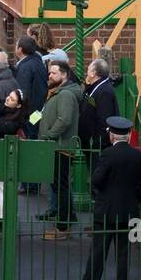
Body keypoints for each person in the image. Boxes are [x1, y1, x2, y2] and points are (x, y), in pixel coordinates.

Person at [63, 116, 141, 280]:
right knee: (123, 254)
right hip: (130, 213)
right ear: (128, 135)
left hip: (106, 212)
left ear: (112, 136)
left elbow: (97, 180)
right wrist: (134, 197)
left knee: (98, 253)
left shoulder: (107, 154)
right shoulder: (139, 156)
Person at [39, 51, 83, 240]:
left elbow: (64, 120)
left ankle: (63, 227)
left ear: (64, 74)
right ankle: (68, 218)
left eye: (54, 73)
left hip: (61, 147)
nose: (50, 76)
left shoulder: (65, 94)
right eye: (49, 73)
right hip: (56, 146)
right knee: (60, 185)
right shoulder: (56, 92)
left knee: (61, 187)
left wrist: (49, 135)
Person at [80, 58, 119, 151]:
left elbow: (104, 119)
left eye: (88, 70)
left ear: (93, 73)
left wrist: (97, 143)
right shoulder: (98, 88)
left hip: (98, 147)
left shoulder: (104, 91)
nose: (87, 74)